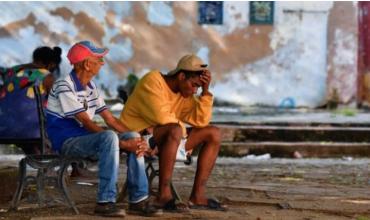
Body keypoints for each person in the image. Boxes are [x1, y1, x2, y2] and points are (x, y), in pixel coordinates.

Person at [45, 41, 161, 217]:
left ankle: (138, 200)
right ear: (86, 64)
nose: (102, 63)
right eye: (99, 59)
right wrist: (123, 144)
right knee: (109, 137)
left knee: (132, 135)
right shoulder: (64, 85)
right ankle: (105, 202)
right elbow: (86, 122)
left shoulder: (92, 87)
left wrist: (135, 140)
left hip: (87, 139)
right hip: (67, 142)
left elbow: (110, 119)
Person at [119, 54, 227, 211]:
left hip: (166, 138)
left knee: (213, 133)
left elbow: (201, 120)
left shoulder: (185, 94)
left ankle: (197, 197)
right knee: (175, 130)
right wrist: (182, 136)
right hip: (137, 138)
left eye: (198, 87)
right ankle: (164, 195)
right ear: (182, 76)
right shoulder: (153, 80)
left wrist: (205, 91)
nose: (195, 90)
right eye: (194, 85)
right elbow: (163, 118)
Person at [0, 46, 62, 154]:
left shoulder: (10, 71)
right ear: (51, 64)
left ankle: (38, 153)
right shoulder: (47, 76)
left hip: (4, 129)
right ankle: (72, 166)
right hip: (31, 131)